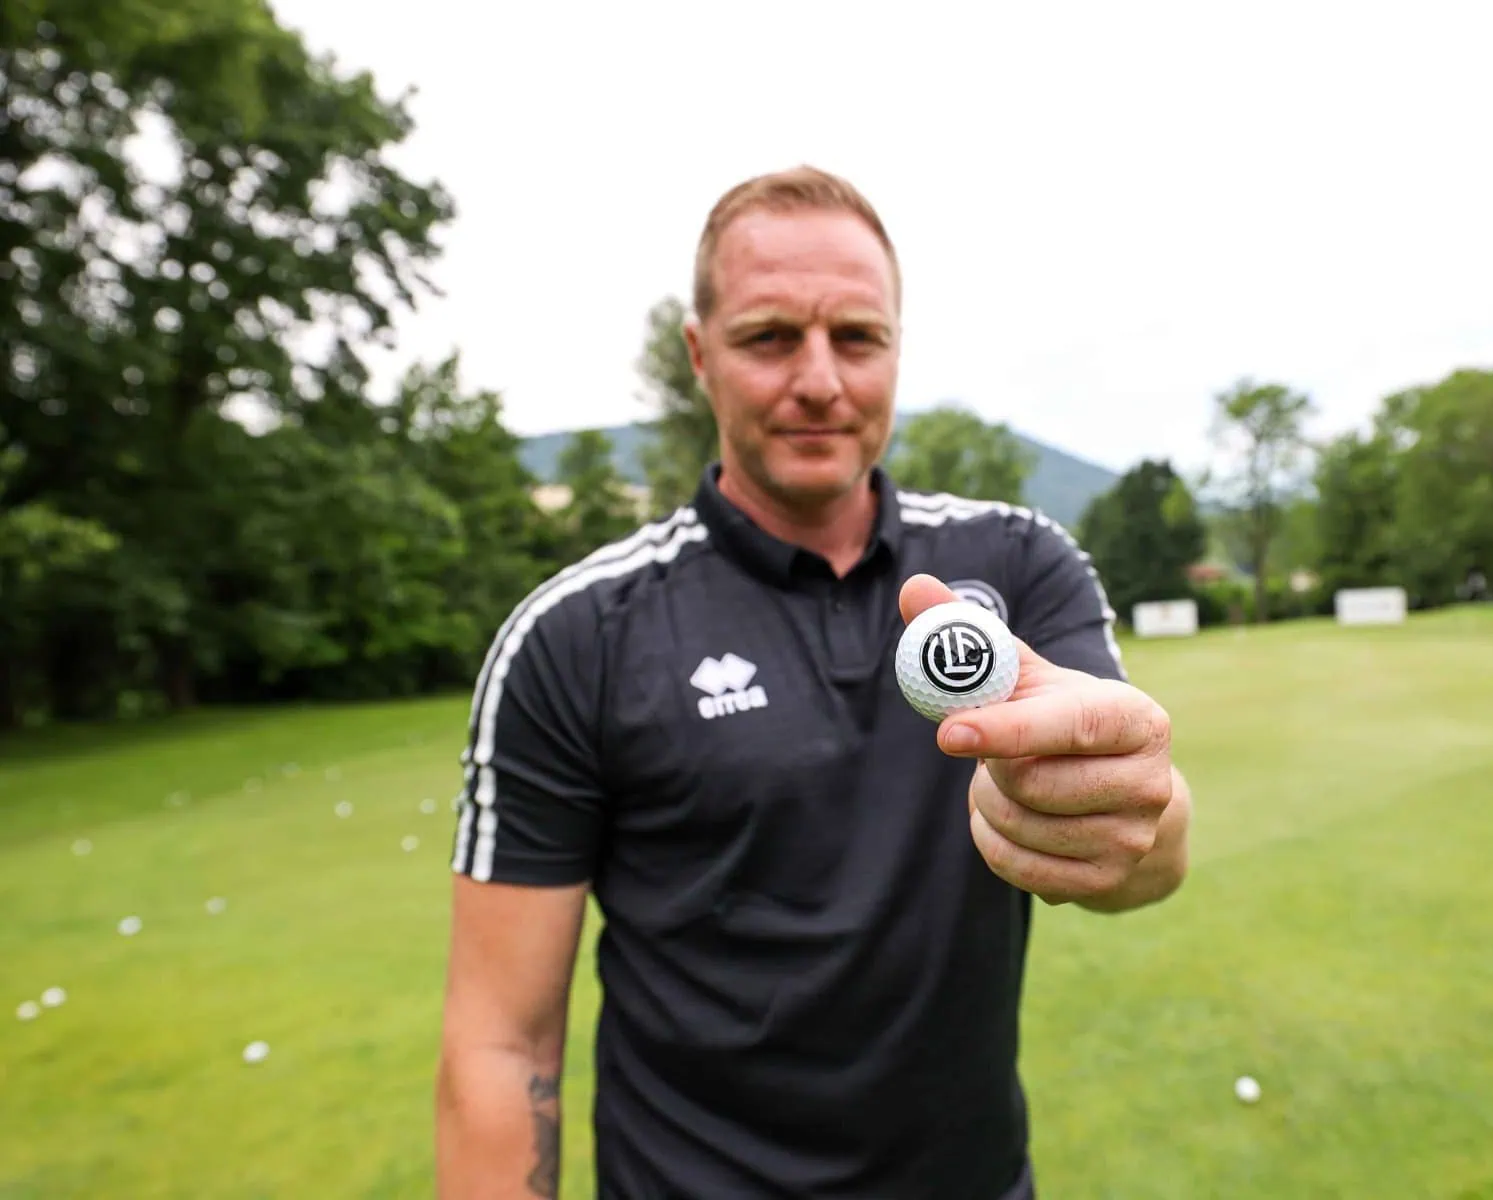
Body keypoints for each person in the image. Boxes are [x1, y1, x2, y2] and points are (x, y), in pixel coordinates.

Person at [434, 165, 1193, 1200]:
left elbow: (1143, 854)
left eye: (858, 337)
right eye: (770, 337)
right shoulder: (576, 638)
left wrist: (1128, 816)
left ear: (895, 349)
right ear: (699, 356)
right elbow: (500, 1044)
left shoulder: (1018, 564)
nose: (822, 380)